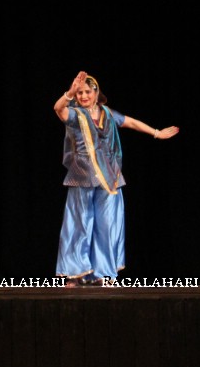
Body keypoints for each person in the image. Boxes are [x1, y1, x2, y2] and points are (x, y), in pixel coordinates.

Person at [54, 71, 180, 287]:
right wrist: (69, 93)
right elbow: (58, 109)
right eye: (80, 92)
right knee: (79, 224)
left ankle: (103, 272)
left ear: (96, 93)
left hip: (110, 177)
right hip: (82, 175)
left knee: (107, 225)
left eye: (87, 92)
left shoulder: (107, 114)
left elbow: (130, 122)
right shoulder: (74, 115)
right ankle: (75, 272)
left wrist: (156, 133)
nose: (84, 96)